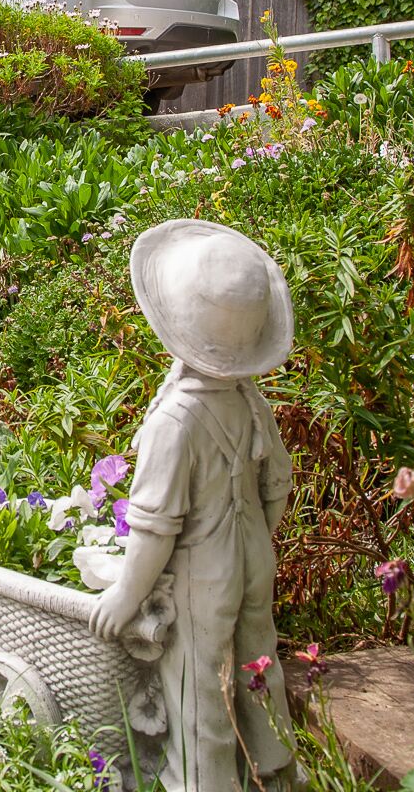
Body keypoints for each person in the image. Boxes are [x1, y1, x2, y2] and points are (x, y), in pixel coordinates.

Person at [89, 220, 299, 791]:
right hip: (254, 551)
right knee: (260, 664)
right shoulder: (250, 402)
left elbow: (156, 527)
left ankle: (209, 784)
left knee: (200, 685)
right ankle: (276, 771)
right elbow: (276, 484)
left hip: (203, 571)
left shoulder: (173, 422)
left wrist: (127, 593)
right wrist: (253, 535)